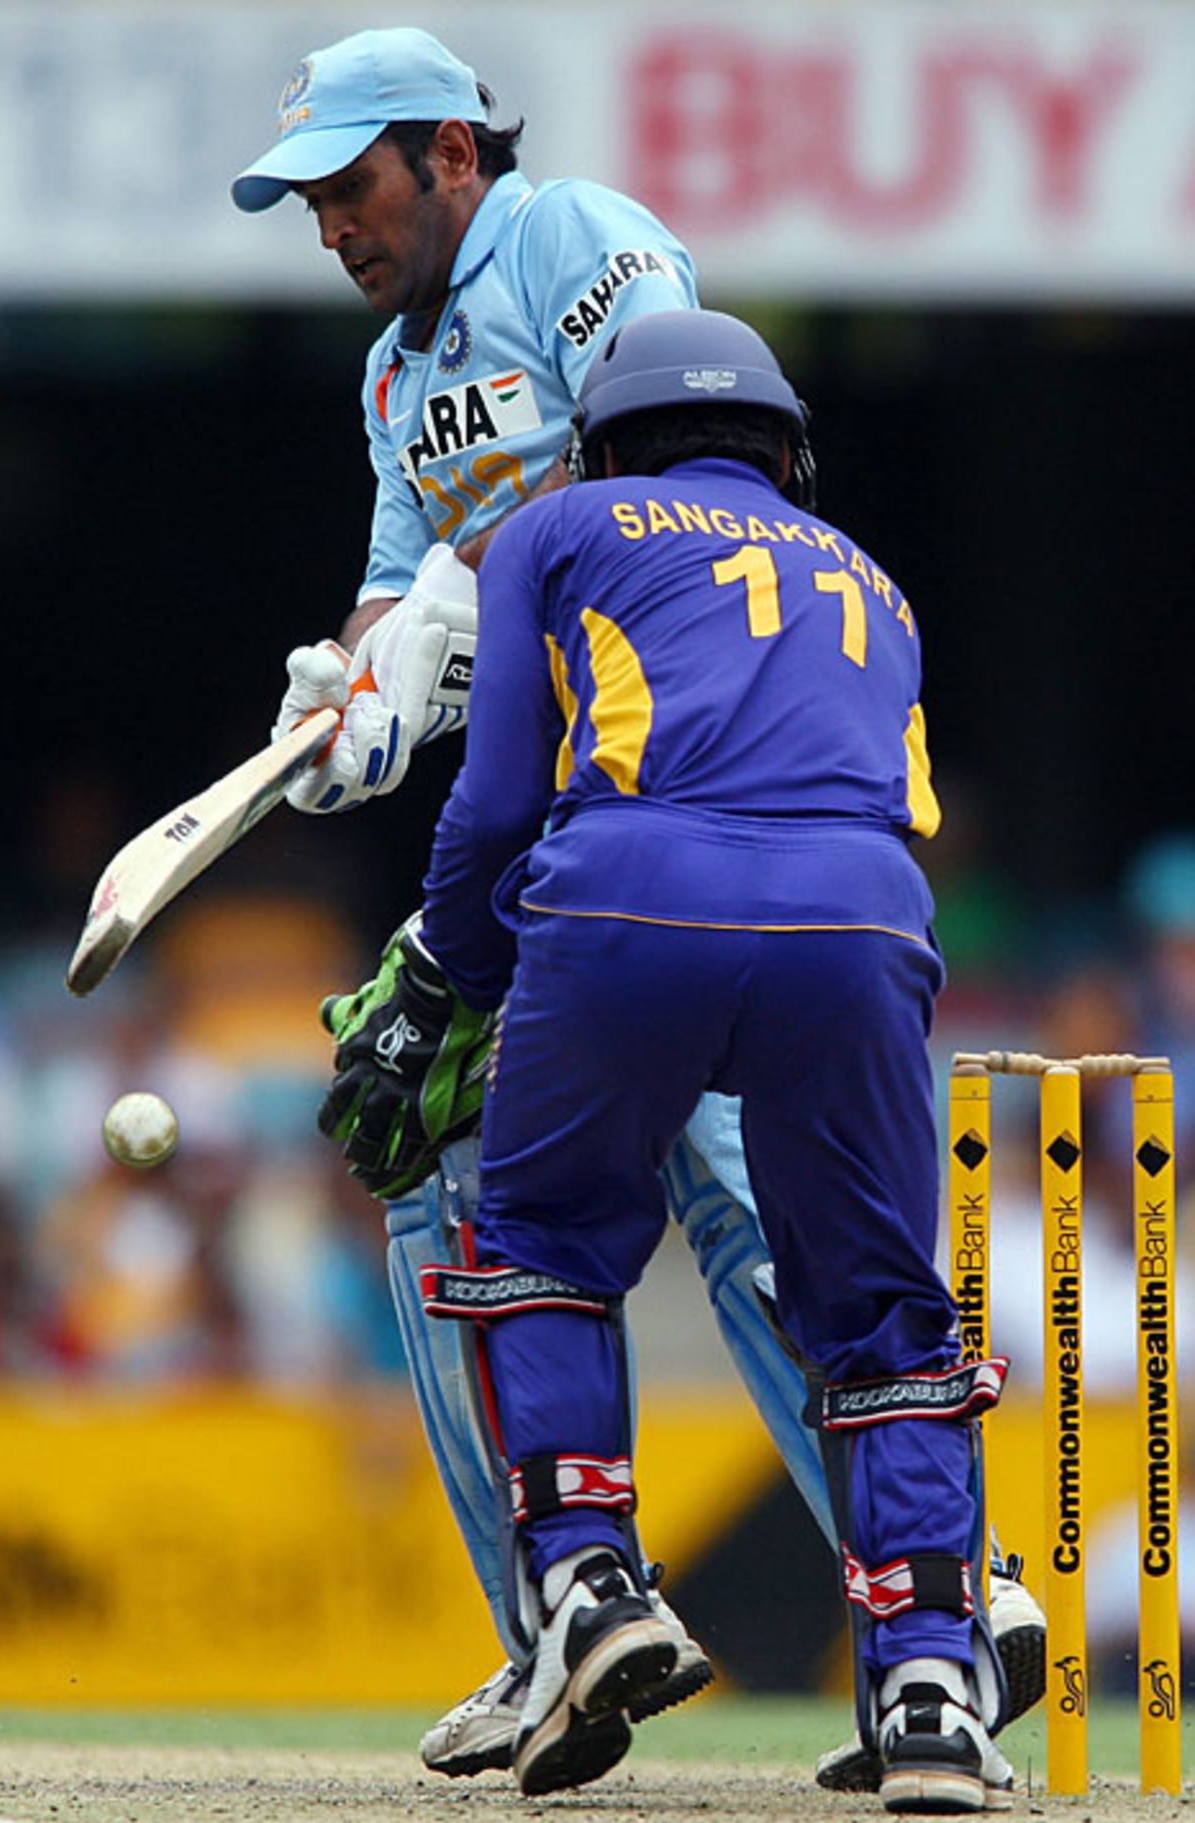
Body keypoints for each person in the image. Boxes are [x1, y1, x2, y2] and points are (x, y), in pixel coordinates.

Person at [231, 27, 1044, 1791]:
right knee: (744, 1233)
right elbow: (405, 605)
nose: (331, 230)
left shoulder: (574, 233)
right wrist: (355, 705)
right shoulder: (394, 382)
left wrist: (459, 647)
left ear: (450, 150)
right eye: (309, 202)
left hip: (612, 838)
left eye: (352, 187)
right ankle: (937, 1625)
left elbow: (634, 476)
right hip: (809, 883)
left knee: (524, 1215)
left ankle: (579, 1608)